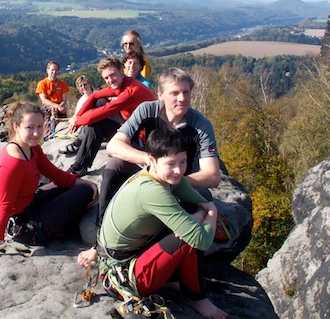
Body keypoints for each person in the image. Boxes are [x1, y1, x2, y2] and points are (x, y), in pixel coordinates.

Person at [77, 67, 223, 265]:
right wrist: (149, 161)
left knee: (203, 197)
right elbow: (114, 146)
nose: (182, 98)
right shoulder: (148, 110)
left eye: (186, 92)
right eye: (175, 93)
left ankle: (173, 264)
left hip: (180, 180)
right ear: (160, 95)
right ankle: (101, 243)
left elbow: (212, 176)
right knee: (114, 166)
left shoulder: (200, 125)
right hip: (150, 175)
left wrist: (174, 181)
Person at [87, 126, 227, 319]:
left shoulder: (159, 176)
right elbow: (199, 239)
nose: (179, 170)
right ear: (152, 160)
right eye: (171, 163)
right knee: (187, 238)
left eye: (183, 161)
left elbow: (192, 194)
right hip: (123, 278)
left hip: (129, 257)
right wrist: (211, 212)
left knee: (189, 222)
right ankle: (196, 298)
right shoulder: (152, 191)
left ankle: (172, 283)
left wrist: (204, 210)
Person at [0, 102, 98, 268]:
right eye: (30, 127)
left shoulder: (32, 148)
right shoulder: (12, 163)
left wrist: (85, 182)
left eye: (40, 126)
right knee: (83, 193)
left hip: (30, 205)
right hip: (26, 226)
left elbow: (56, 175)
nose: (36, 133)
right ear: (16, 127)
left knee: (82, 188)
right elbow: (3, 206)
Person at [66, 57, 157, 176]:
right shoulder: (124, 82)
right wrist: (76, 116)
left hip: (143, 139)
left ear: (121, 70)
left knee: (96, 123)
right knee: (100, 101)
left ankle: (78, 168)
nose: (110, 80)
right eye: (106, 78)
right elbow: (95, 96)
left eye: (112, 75)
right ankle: (81, 146)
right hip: (131, 124)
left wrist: (77, 122)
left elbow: (105, 111)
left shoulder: (131, 91)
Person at [58, 76, 95, 156]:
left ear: (90, 84)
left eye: (85, 84)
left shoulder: (98, 95)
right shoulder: (81, 101)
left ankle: (77, 145)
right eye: (81, 86)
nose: (83, 87)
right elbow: (76, 116)